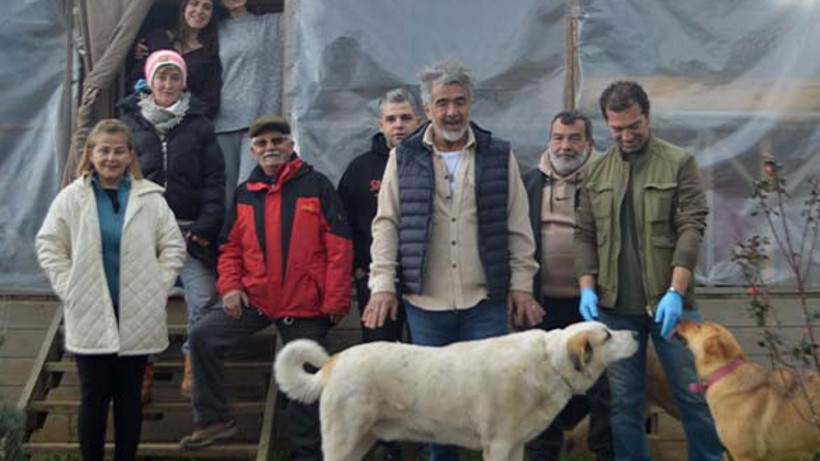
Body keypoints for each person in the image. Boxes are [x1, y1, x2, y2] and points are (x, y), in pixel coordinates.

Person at [363, 60, 542, 461]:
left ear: (471, 102)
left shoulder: (498, 154)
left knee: (497, 403)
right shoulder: (404, 157)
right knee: (438, 412)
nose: (452, 112)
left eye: (459, 101)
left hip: (486, 304)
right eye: (442, 103)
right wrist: (382, 286)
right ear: (428, 108)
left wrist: (521, 285)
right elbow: (387, 224)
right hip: (427, 306)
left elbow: (518, 226)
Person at [179, 116, 353, 460]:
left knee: (305, 385)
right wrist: (229, 287)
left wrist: (334, 299)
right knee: (203, 336)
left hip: (305, 303)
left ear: (290, 146)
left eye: (277, 141)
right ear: (253, 150)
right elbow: (229, 248)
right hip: (256, 298)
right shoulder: (246, 193)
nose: (270, 148)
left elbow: (340, 246)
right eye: (262, 144)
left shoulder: (316, 186)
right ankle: (214, 419)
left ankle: (308, 454)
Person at [574, 80, 722, 461]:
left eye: (633, 125)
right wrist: (588, 288)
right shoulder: (596, 173)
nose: (626, 135)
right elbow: (585, 234)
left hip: (671, 306)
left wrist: (676, 291)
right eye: (617, 128)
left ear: (647, 116)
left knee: (693, 395)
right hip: (616, 307)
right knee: (624, 404)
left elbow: (692, 225)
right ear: (607, 124)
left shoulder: (678, 162)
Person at [36, 119, 186, 461]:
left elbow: (173, 246)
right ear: (91, 154)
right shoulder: (71, 198)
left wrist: (158, 285)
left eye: (119, 151)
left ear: (131, 154)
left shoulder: (150, 198)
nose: (111, 158)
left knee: (130, 399)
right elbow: (49, 245)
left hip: (136, 311)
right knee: (94, 397)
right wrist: (68, 285)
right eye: (104, 150)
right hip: (90, 309)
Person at [119, 49, 226, 401]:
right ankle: (143, 369)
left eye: (174, 77)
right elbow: (116, 177)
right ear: (150, 81)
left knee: (204, 296)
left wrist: (207, 223)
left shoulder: (199, 123)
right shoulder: (130, 123)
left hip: (189, 229)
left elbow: (214, 180)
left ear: (184, 82)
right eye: (161, 77)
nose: (168, 83)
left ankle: (193, 362)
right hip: (144, 232)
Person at [337, 87, 422, 461]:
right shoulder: (360, 170)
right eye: (392, 118)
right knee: (379, 363)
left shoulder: (431, 159)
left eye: (405, 117)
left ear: (419, 120)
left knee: (424, 363)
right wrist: (358, 265)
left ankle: (424, 442)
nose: (399, 125)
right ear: (380, 124)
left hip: (424, 282)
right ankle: (383, 445)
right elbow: (343, 222)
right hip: (376, 284)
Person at [522, 110, 613, 461]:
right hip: (540, 305)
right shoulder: (528, 183)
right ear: (549, 141)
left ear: (589, 144)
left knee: (602, 388)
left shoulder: (603, 183)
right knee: (542, 386)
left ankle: (606, 453)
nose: (565, 145)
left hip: (591, 303)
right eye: (558, 137)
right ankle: (542, 455)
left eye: (574, 138)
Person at [214, 0, 283, 207]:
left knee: (249, 189)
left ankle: (249, 239)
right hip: (222, 121)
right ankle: (225, 239)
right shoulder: (214, 29)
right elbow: (185, 43)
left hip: (259, 122)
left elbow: (309, 17)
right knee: (223, 192)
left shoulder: (272, 24)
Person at [129, 0, 222, 118]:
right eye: (194, 3)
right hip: (148, 118)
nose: (199, 11)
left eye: (207, 7)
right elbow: (134, 79)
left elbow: (210, 100)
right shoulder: (157, 39)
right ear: (184, 7)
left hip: (187, 124)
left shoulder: (210, 54)